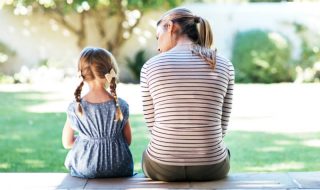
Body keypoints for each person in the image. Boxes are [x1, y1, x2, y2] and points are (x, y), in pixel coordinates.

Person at [140, 8, 234, 181]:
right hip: (212, 167)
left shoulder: (150, 66)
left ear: (170, 27)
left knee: (147, 154)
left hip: (162, 167)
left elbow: (152, 125)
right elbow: (222, 125)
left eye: (157, 36)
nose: (157, 46)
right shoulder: (224, 65)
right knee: (224, 151)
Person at [62, 47, 133, 178]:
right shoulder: (121, 105)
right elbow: (128, 140)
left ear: (82, 74)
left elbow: (67, 143)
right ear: (110, 72)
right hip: (120, 167)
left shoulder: (76, 107)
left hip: (86, 168)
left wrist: (86, 140)